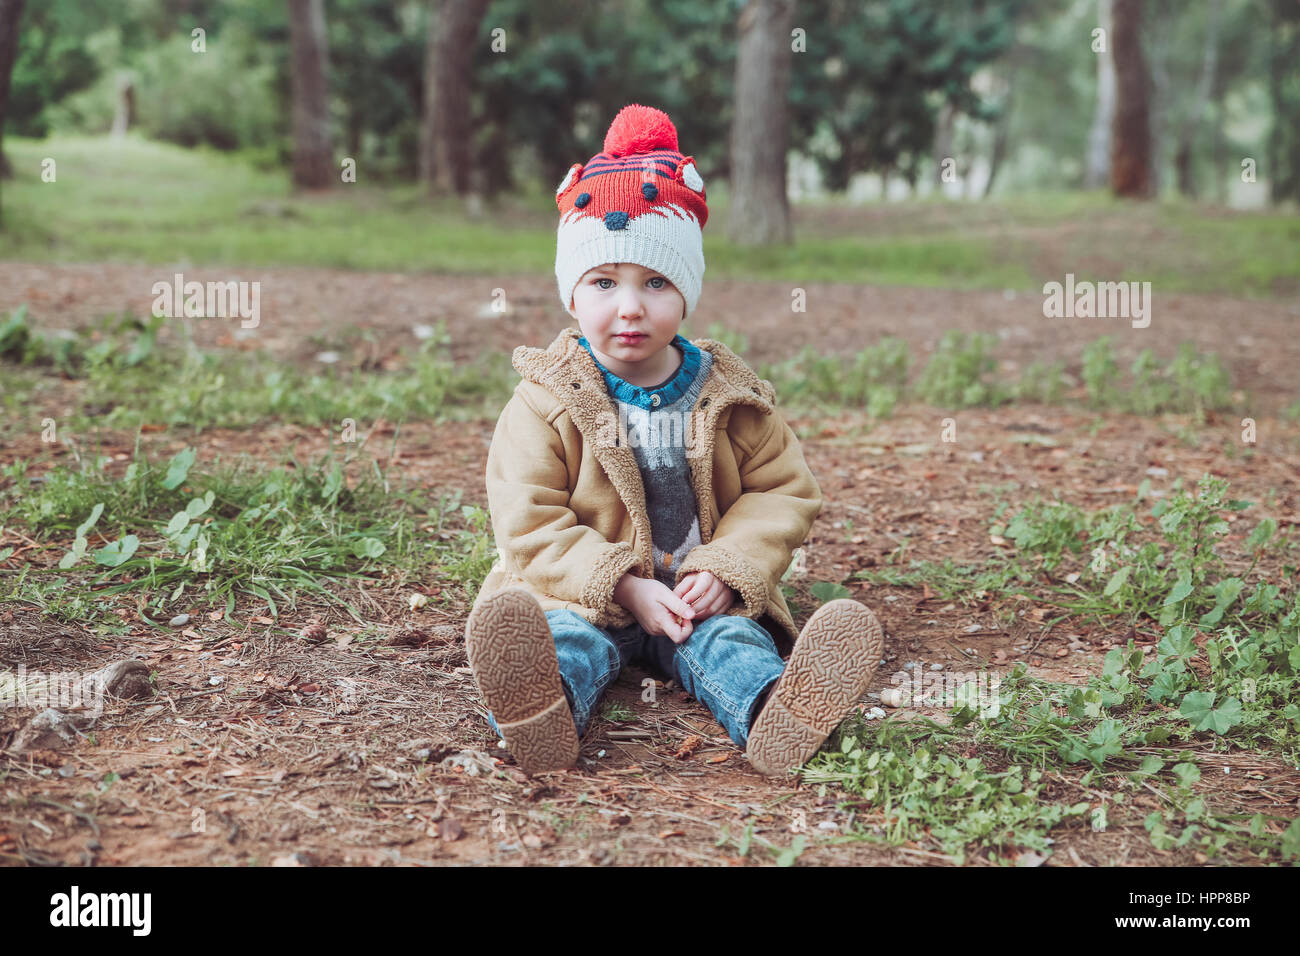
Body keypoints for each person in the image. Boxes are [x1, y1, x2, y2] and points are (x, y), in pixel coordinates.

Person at [464, 103, 884, 777]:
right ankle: (537, 711)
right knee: (562, 641)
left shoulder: (729, 396)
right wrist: (623, 588)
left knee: (733, 646)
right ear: (572, 296)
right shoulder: (545, 401)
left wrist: (726, 569)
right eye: (604, 282)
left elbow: (781, 491)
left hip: (694, 603)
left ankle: (781, 709)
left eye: (655, 282)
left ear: (685, 293)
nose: (629, 307)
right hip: (585, 596)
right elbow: (529, 520)